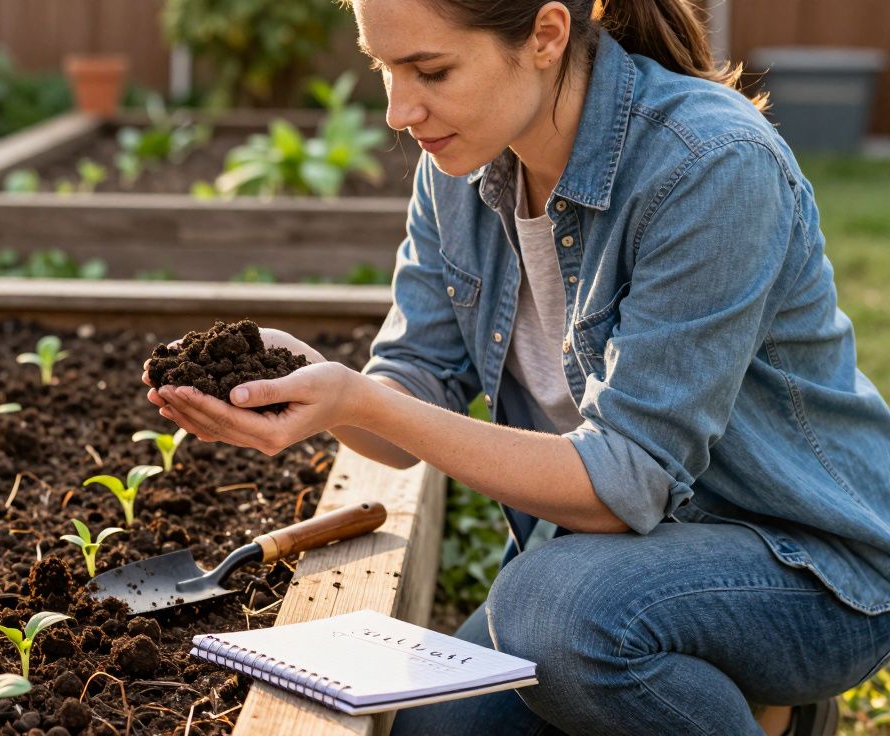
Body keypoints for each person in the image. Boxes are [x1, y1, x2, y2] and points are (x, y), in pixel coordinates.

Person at [141, 0, 890, 733]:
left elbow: (625, 481)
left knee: (549, 616)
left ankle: (765, 704)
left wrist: (361, 403)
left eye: (429, 70)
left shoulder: (711, 164)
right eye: (384, 69)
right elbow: (409, 392)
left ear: (546, 34)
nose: (401, 110)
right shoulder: (458, 171)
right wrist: (316, 391)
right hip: (616, 560)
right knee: (430, 727)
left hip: (809, 568)